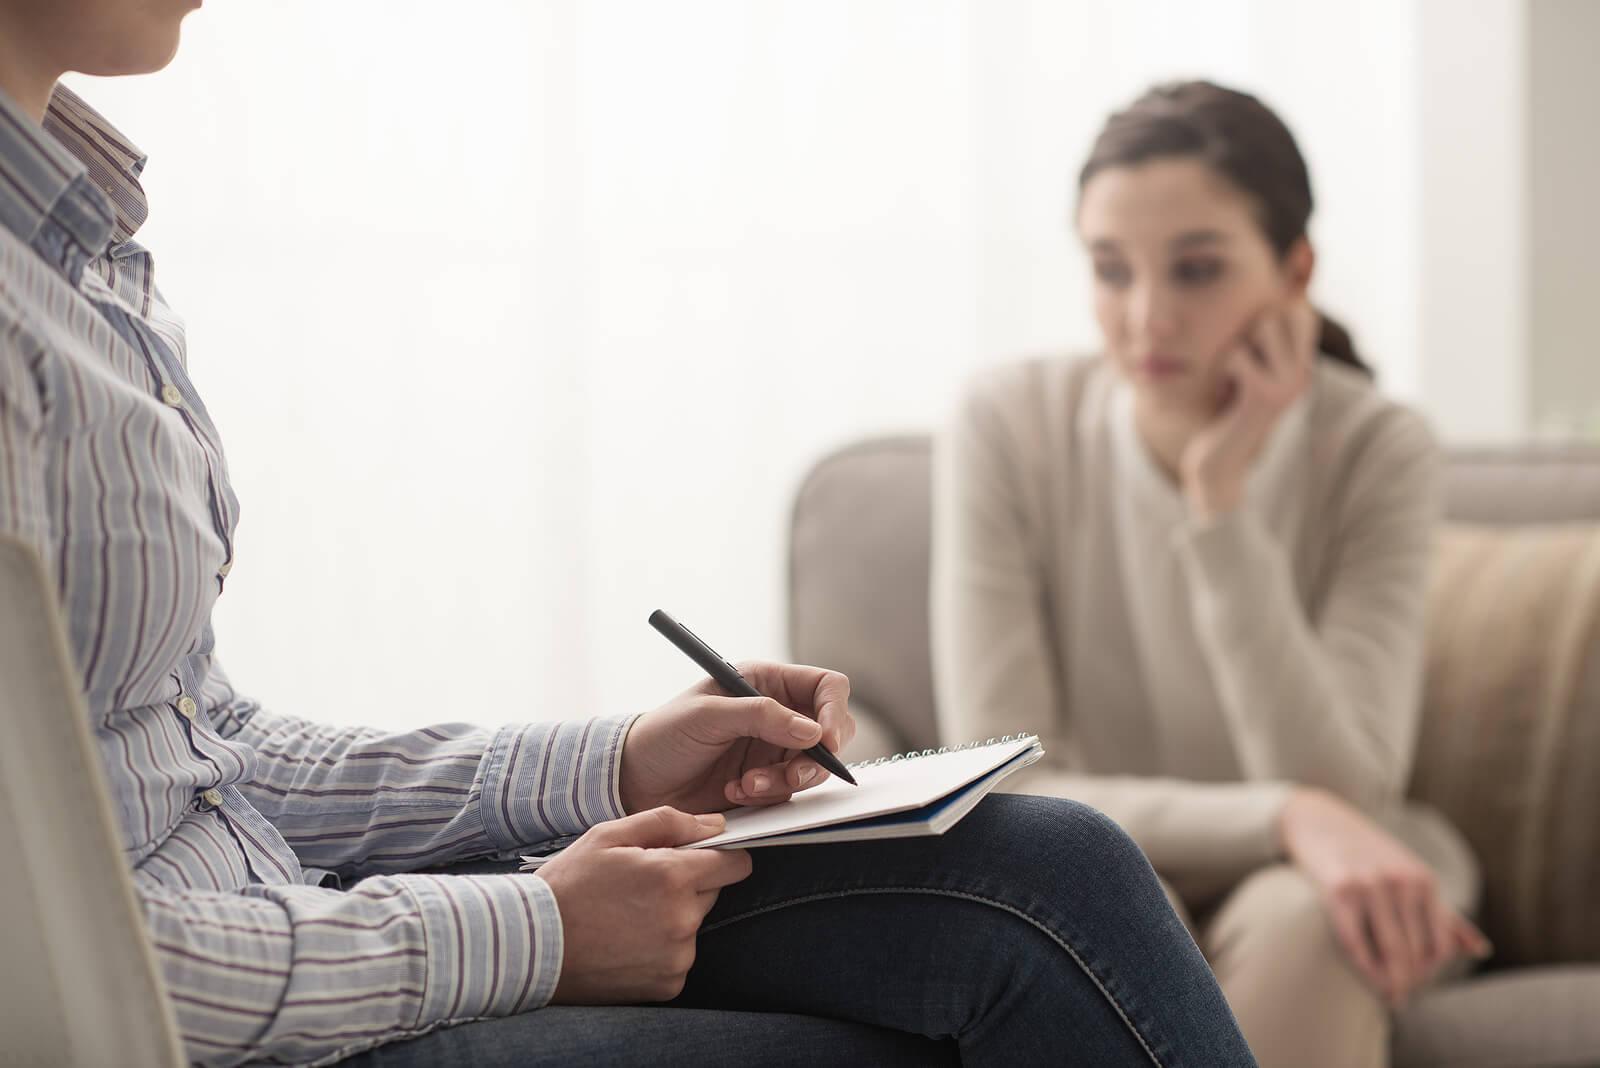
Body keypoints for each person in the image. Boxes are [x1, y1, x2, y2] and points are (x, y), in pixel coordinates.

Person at [0, 5, 1261, 1066]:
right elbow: (38, 963)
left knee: (1046, 869)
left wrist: (615, 764)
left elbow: (197, 746)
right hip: (202, 1015)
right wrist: (532, 929)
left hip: (275, 915)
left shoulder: (82, 257)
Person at [931, 80, 1490, 1068]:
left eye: (1195, 270)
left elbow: (1345, 787)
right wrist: (1283, 815)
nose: (1146, 318)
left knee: (1316, 924)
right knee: (1080, 921)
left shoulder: (1377, 449)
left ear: (1294, 270)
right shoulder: (1005, 424)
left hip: (1335, 874)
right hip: (1097, 868)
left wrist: (1217, 506)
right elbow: (1008, 789)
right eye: (1111, 271)